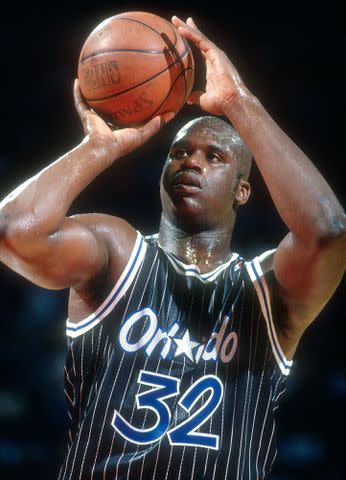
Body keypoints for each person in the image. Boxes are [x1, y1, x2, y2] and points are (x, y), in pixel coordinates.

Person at [0, 15, 344, 480]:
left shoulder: (268, 292)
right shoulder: (117, 252)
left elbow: (328, 229)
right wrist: (99, 147)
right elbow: (12, 231)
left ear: (243, 190)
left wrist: (238, 103)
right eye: (179, 152)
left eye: (213, 156)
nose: (190, 162)